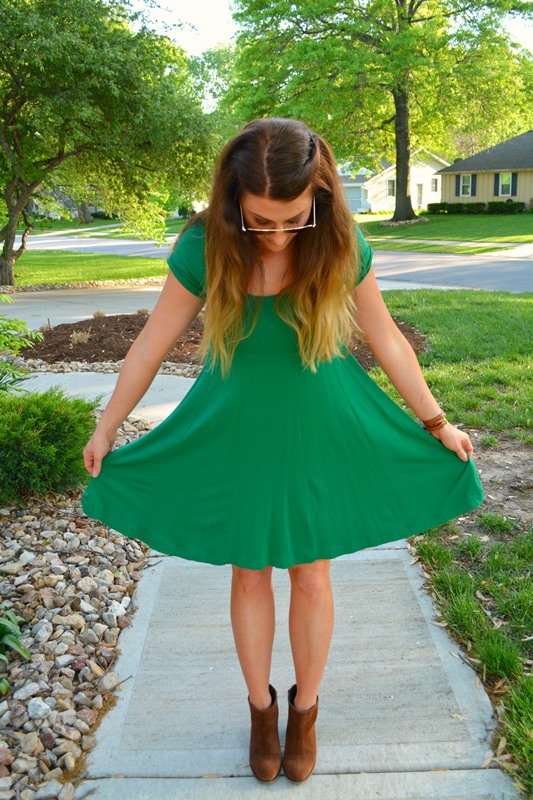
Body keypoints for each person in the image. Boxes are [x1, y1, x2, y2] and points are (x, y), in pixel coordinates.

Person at [82, 117, 483, 784]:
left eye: (290, 219)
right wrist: (107, 426)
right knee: (247, 571)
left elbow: (384, 338)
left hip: (318, 424)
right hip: (236, 426)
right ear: (232, 200)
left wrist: (435, 421)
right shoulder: (204, 247)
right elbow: (150, 344)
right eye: (257, 220)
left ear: (319, 196)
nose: (272, 235)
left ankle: (307, 710)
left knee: (312, 571)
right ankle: (259, 709)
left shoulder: (338, 245)